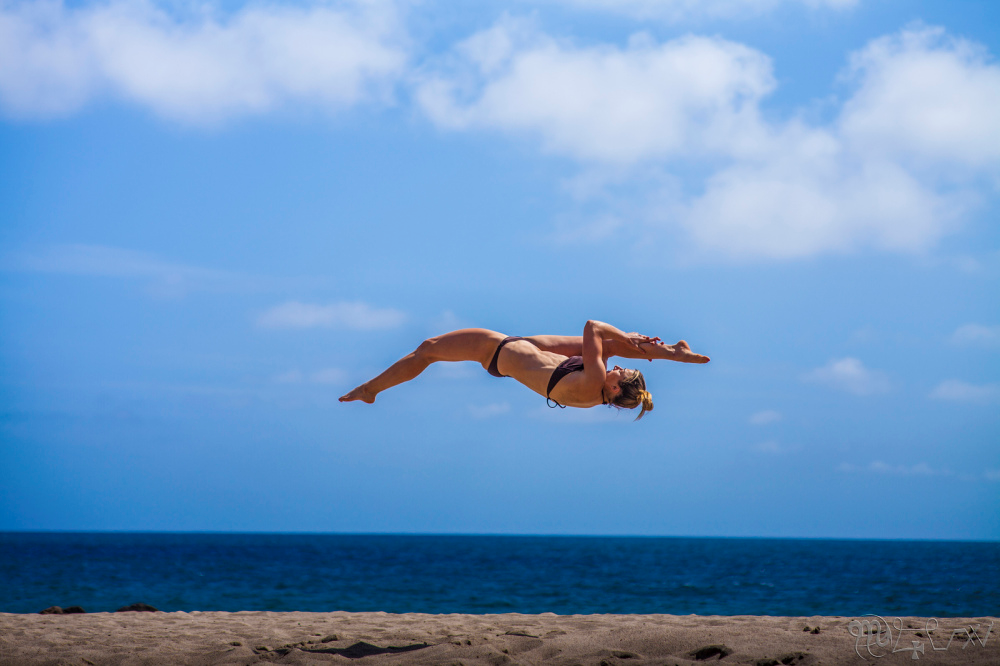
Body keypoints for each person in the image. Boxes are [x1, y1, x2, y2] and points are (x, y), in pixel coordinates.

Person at [339, 320, 710, 420]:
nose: (618, 370)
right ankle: (674, 353)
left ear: (614, 390)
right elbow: (606, 347)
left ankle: (371, 389)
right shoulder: (594, 388)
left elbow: (593, 326)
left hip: (497, 350)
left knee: (428, 350)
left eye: (622, 374)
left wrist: (626, 335)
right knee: (613, 346)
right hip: (535, 354)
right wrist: (625, 342)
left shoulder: (594, 383)